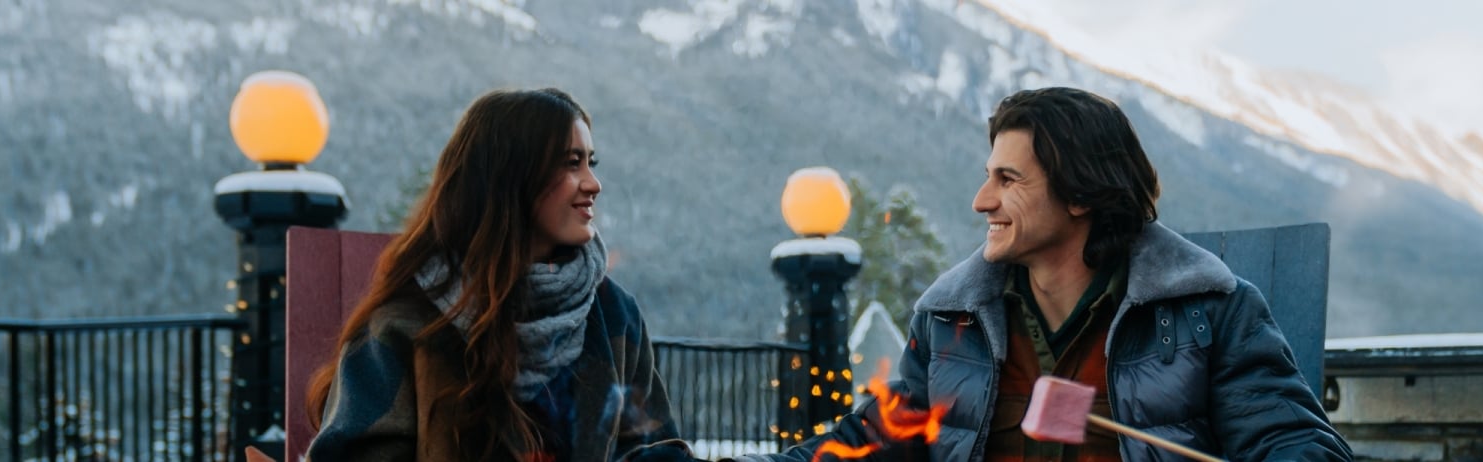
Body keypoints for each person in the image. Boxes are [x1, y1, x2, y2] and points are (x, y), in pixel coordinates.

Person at [736, 87, 1352, 461]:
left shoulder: (1210, 313)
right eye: (988, 175)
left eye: (1009, 180)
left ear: (1081, 194)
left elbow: (1294, 442)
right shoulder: (953, 324)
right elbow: (867, 442)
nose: (981, 200)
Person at [306, 88, 696, 461]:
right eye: (570, 163)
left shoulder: (614, 314)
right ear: (510, 178)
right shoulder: (405, 326)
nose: (593, 184)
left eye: (590, 163)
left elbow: (652, 450)